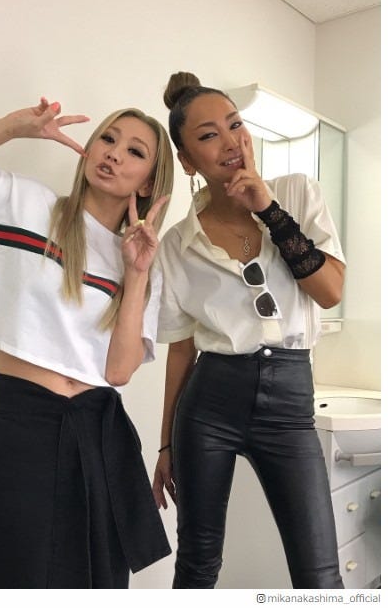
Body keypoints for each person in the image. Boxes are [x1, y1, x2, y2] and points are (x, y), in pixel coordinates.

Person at [0, 96, 174, 589]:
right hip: (22, 423)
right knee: (18, 577)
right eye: (108, 138)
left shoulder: (143, 262)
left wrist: (136, 274)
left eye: (135, 152)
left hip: (98, 433)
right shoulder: (22, 203)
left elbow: (118, 372)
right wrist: (10, 128)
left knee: (97, 584)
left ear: (149, 183)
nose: (114, 153)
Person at [152, 72, 346, 589]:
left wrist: (268, 210)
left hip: (290, 405)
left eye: (235, 124)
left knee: (320, 576)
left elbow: (329, 291)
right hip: (209, 403)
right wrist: (165, 445)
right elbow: (181, 350)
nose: (231, 141)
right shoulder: (177, 244)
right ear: (188, 161)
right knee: (197, 564)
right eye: (208, 135)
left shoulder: (297, 192)